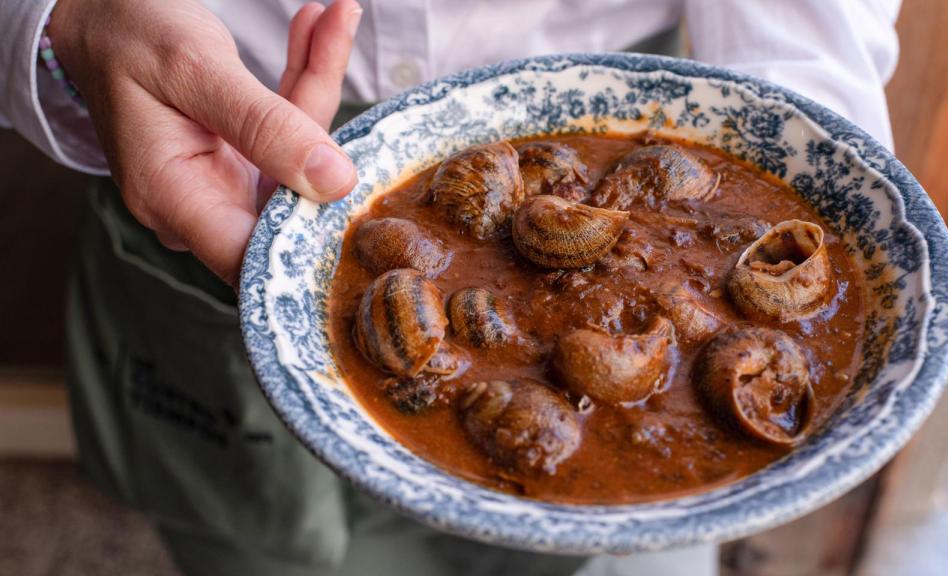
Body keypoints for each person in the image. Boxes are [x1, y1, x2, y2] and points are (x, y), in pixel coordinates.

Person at [0, 1, 901, 574]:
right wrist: (63, 25)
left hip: (630, 103)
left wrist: (810, 149)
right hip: (216, 125)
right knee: (251, 538)